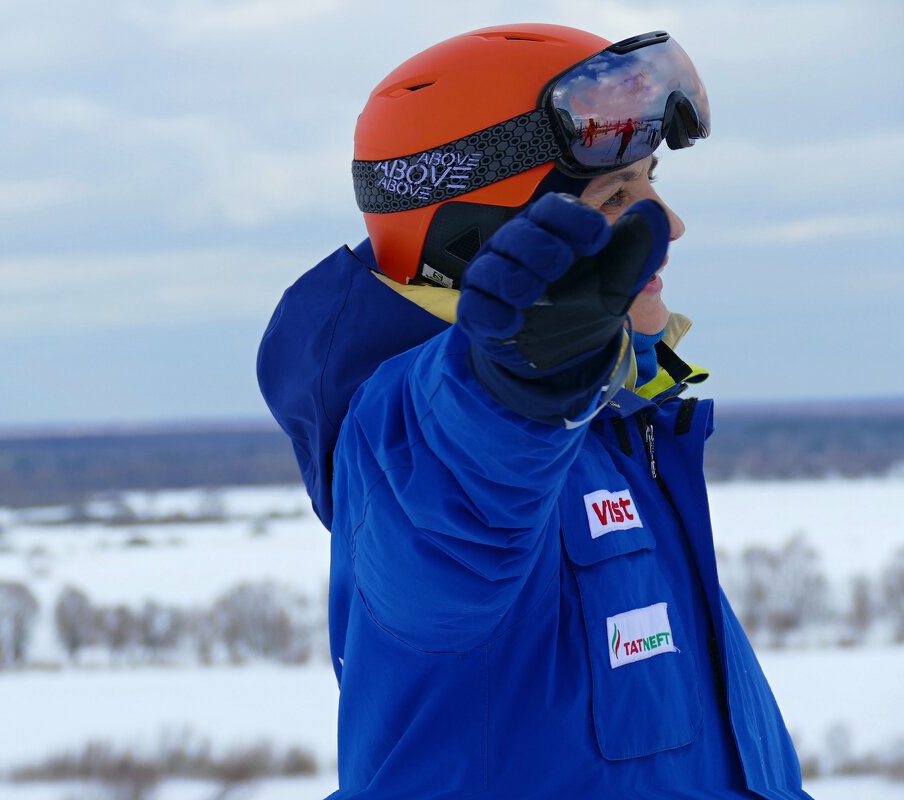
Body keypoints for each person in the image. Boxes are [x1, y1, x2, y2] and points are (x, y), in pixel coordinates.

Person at [257, 24, 811, 799]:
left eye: (651, 182)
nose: (668, 227)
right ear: (484, 248)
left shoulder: (612, 433)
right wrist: (510, 386)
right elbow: (453, 502)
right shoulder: (412, 446)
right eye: (617, 197)